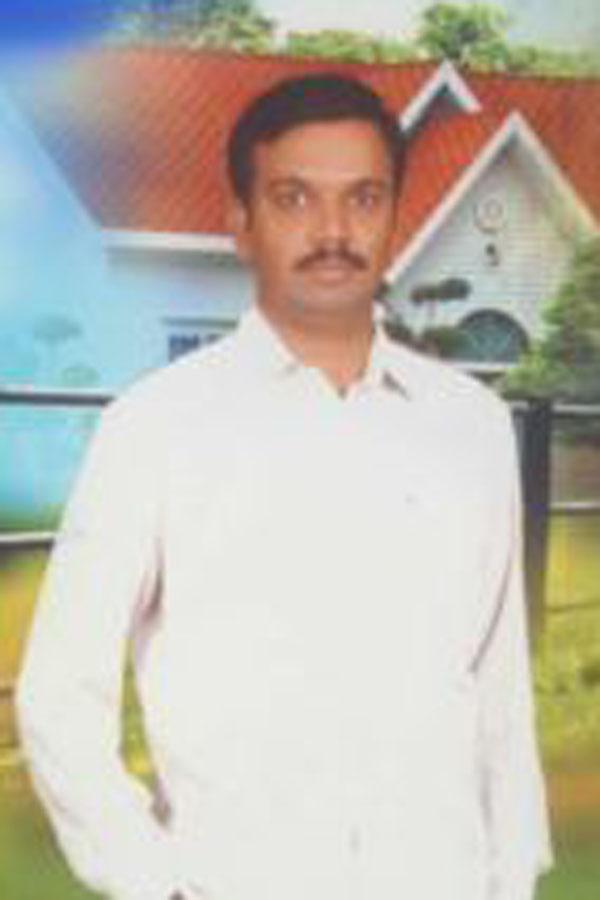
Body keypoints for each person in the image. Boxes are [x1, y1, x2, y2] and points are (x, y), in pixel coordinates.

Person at [17, 73, 552, 900]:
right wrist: (154, 883)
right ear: (241, 221)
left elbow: (499, 697)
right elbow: (58, 695)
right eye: (295, 198)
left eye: (363, 198)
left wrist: (510, 880)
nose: (333, 232)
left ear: (395, 216)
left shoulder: (471, 426)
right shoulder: (156, 426)